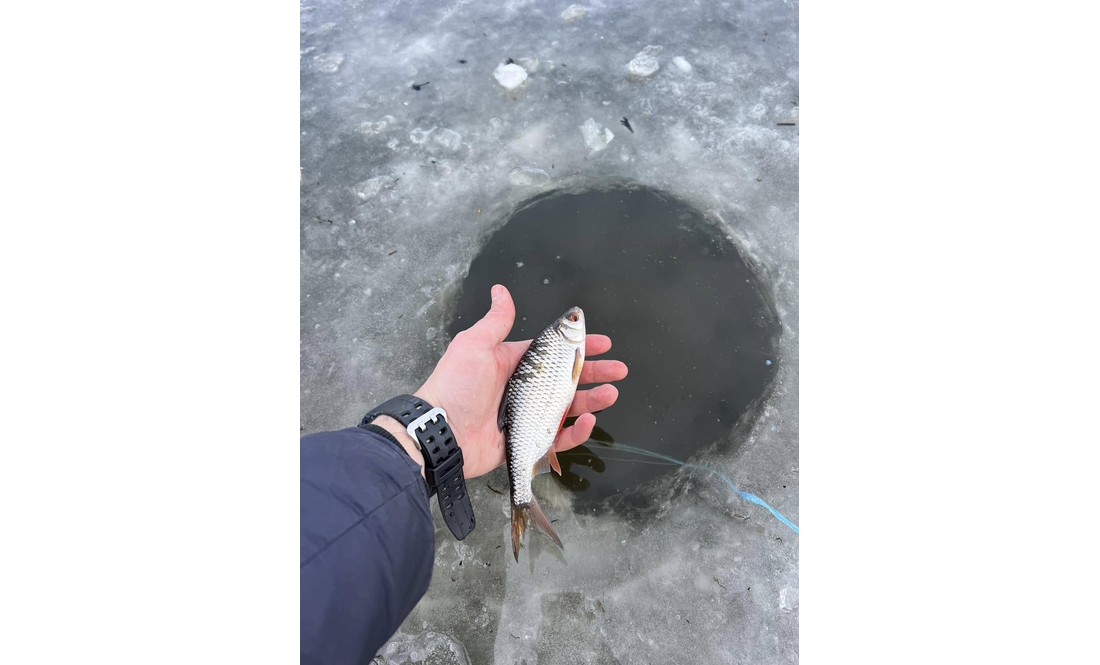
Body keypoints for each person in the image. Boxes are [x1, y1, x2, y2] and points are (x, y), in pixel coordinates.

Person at [300, 285, 629, 664]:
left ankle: (523, 501)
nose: (576, 319)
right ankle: (524, 502)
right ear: (566, 331)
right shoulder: (564, 347)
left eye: (573, 319)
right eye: (572, 320)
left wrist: (435, 424)